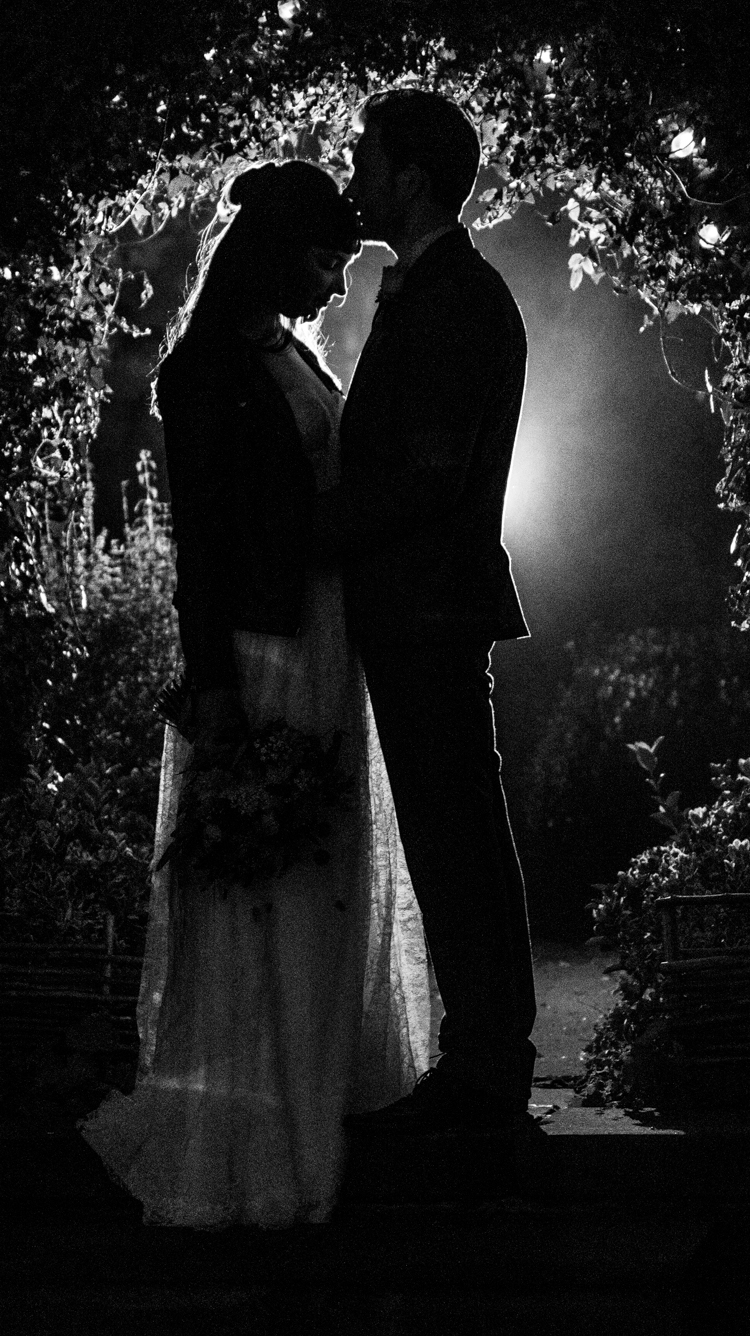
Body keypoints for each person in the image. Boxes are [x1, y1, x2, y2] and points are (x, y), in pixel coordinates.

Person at [80, 161, 431, 1228]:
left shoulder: (293, 350)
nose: (337, 284)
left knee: (321, 860)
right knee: (266, 871)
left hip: (324, 631)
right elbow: (203, 543)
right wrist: (214, 681)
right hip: (263, 641)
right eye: (325, 260)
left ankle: (321, 1077)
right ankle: (258, 1112)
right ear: (276, 253)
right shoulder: (202, 375)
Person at [313, 90, 538, 1148]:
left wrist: (315, 529)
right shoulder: (434, 288)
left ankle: (487, 1063)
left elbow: (428, 471)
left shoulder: (455, 297)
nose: (352, 172)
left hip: (429, 605)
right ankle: (483, 1055)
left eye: (365, 156)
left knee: (455, 831)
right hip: (416, 603)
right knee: (453, 829)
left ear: (408, 174)